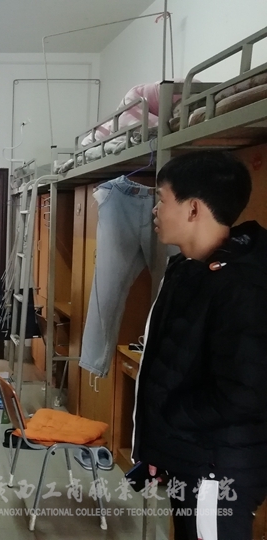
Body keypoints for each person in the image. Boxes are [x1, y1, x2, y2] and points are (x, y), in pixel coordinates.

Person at [133, 151, 267, 539]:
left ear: (193, 208)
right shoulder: (187, 268)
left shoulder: (243, 285)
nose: (155, 210)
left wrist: (168, 422)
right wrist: (160, 447)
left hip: (217, 468)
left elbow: (242, 394)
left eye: (161, 199)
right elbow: (173, 364)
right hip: (192, 456)